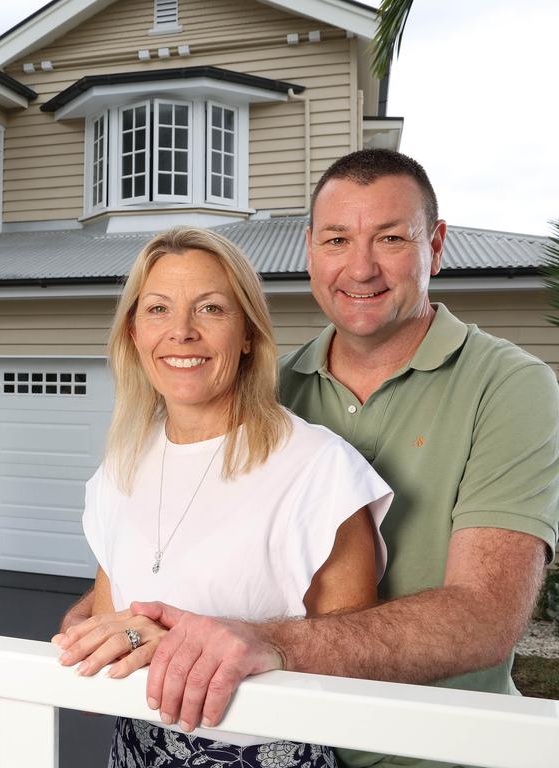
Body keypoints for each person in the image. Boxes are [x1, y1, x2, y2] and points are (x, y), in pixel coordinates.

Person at [97, 149, 559, 768]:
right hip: (283, 733)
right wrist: (119, 626)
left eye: (391, 238)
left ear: (437, 244)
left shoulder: (509, 386)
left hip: (434, 751)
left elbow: (485, 617)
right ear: (310, 248)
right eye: (337, 239)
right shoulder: (268, 393)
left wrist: (261, 642)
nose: (360, 268)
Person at [54, 227, 394, 767]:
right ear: (134, 334)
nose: (181, 332)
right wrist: (87, 641)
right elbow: (109, 618)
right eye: (158, 309)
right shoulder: (120, 465)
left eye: (210, 309)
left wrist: (176, 645)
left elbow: (353, 664)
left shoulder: (319, 469)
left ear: (248, 335)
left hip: (260, 752)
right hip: (133, 747)